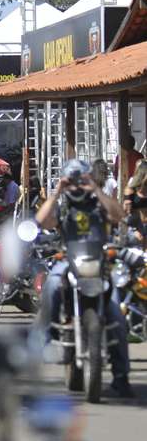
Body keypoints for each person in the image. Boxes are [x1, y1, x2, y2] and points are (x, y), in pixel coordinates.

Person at [35, 159, 133, 398]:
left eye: (82, 181)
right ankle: (45, 339)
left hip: (99, 265)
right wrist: (58, 191)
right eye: (73, 182)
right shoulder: (64, 206)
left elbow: (119, 215)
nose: (78, 187)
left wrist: (96, 189)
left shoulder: (99, 205)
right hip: (69, 262)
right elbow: (41, 221)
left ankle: (121, 377)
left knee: (118, 318)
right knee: (52, 285)